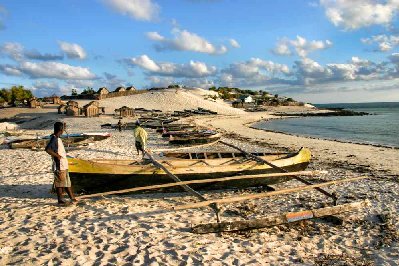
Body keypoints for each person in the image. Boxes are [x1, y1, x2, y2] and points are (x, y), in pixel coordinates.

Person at [45, 122, 77, 205]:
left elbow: (58, 131)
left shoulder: (57, 137)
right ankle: (60, 200)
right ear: (61, 130)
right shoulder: (54, 139)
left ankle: (72, 198)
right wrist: (57, 156)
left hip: (63, 165)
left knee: (67, 182)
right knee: (60, 183)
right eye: (63, 129)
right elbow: (48, 149)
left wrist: (64, 126)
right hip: (59, 165)